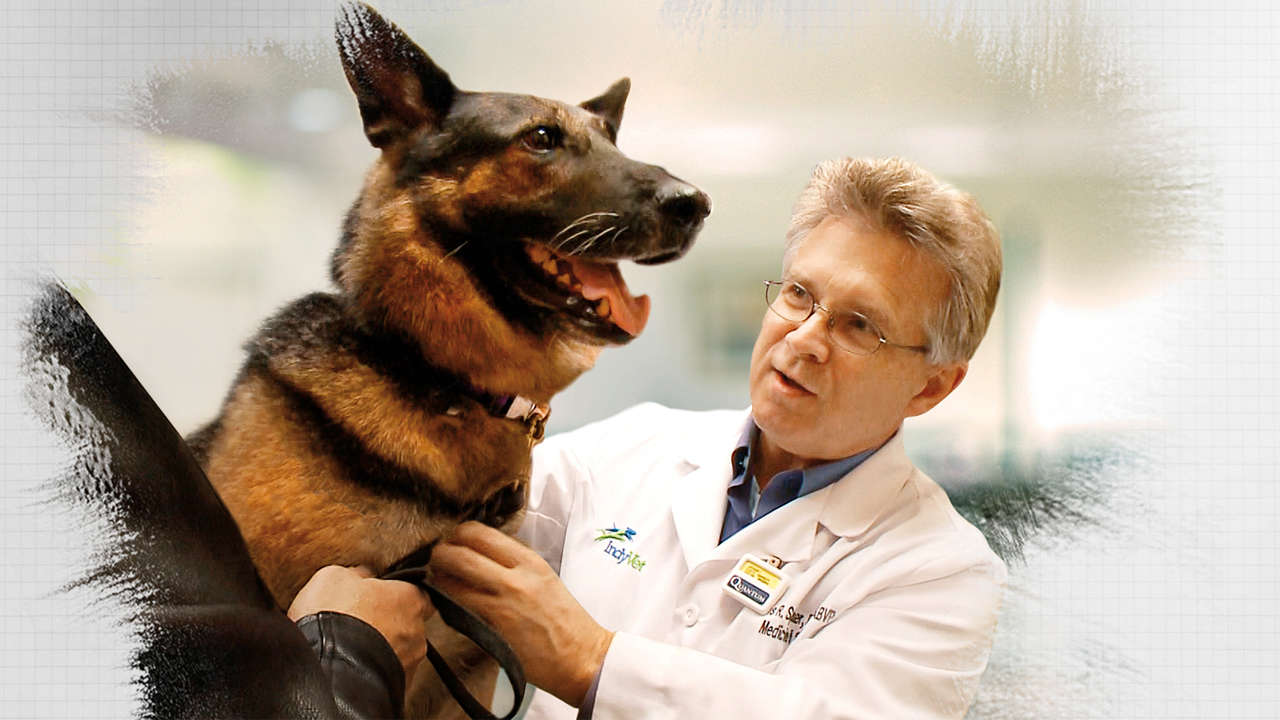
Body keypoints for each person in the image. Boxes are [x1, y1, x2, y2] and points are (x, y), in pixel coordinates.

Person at [302, 155, 1006, 719]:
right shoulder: (633, 447)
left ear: (932, 387)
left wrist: (592, 661)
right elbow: (437, 522)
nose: (803, 339)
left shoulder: (940, 570)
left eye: (859, 325)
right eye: (799, 295)